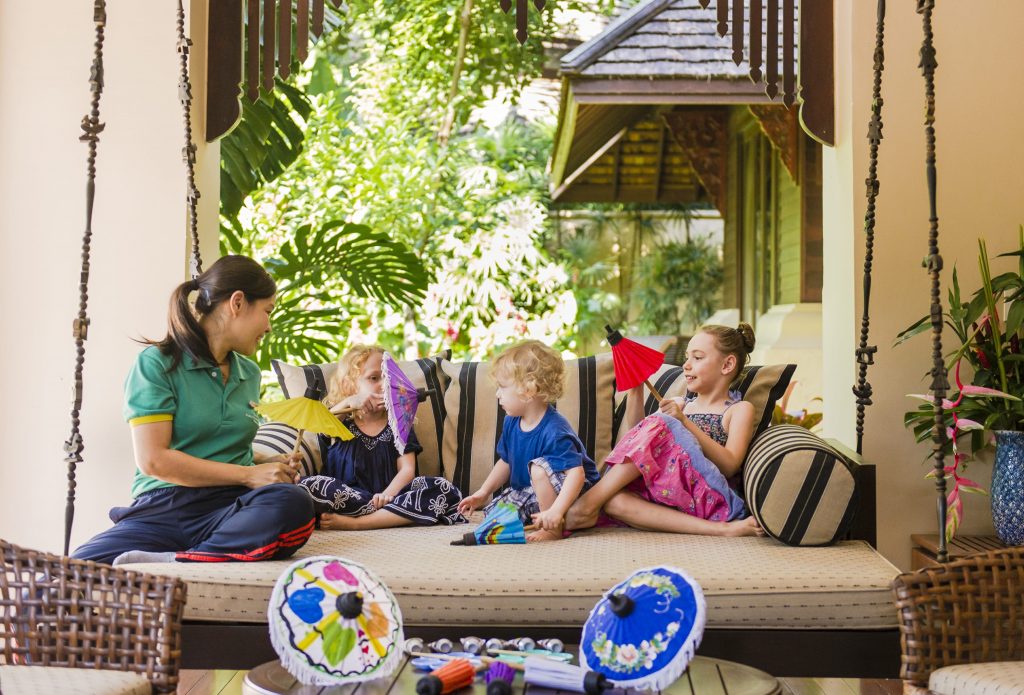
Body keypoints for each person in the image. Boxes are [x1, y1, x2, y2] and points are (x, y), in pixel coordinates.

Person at [72, 255, 316, 565]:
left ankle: (180, 561)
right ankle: (209, 554)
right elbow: (154, 460)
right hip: (164, 506)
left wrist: (265, 461)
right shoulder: (156, 364)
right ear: (237, 302)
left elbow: (217, 440)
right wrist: (249, 473)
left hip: (230, 506)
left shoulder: (250, 374)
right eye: (267, 311)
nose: (268, 326)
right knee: (63, 577)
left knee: (293, 502)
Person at [566, 324, 765, 537]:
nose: (686, 365)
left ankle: (585, 505)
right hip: (672, 495)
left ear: (727, 364)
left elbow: (730, 465)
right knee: (614, 501)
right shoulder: (682, 404)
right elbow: (638, 443)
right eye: (687, 357)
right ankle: (719, 530)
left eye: (697, 358)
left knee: (662, 422)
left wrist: (682, 423)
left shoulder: (738, 410)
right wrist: (636, 391)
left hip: (715, 500)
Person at [300, 345, 465, 529]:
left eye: (388, 378)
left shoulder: (399, 423)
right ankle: (363, 517)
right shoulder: (342, 422)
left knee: (443, 489)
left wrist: (387, 495)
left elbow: (407, 470)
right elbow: (322, 427)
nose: (384, 383)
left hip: (391, 502)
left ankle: (359, 524)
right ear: (349, 385)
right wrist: (348, 403)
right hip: (347, 499)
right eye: (374, 378)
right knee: (311, 485)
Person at [457, 340, 600, 542]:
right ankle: (547, 516)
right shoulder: (511, 422)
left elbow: (576, 475)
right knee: (494, 516)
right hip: (531, 491)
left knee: (538, 469)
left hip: (574, 492)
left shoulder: (554, 430)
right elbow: (505, 461)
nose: (497, 394)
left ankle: (553, 528)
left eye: (502, 387)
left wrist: (556, 511)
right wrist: (482, 493)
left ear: (529, 390)